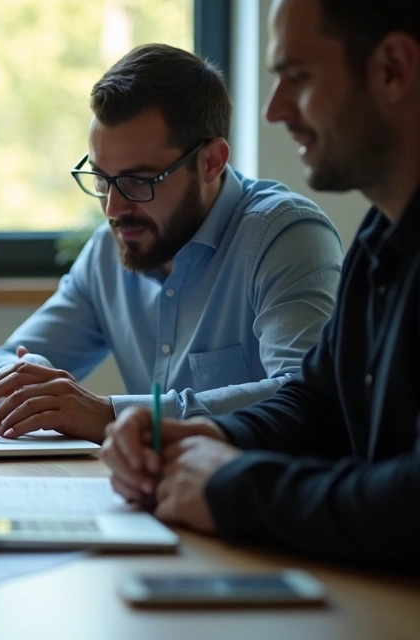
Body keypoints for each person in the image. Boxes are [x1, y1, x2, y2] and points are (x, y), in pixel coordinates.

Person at [101, 0, 420, 570]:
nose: (273, 111)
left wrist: (232, 487)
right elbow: (319, 403)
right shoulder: (382, 236)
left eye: (296, 78)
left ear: (393, 68)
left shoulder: (293, 230)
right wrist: (207, 440)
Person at [0, 44, 343, 444]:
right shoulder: (106, 252)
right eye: (101, 179)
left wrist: (110, 414)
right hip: (149, 493)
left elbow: (305, 396)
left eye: (139, 181)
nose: (113, 208)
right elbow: (0, 361)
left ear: (211, 162)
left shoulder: (285, 235)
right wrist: (30, 379)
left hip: (255, 499)